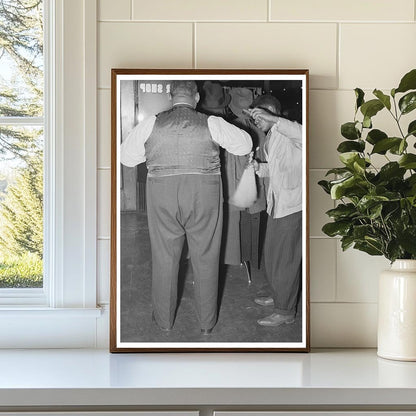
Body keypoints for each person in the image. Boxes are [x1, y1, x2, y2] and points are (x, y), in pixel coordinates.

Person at [120, 80, 252, 334]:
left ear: (170, 96)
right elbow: (245, 144)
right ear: (197, 96)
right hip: (205, 194)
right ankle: (206, 323)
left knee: (164, 258)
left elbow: (127, 157)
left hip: (162, 194)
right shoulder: (211, 123)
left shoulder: (152, 123)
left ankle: (164, 321)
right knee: (206, 256)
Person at [247, 94, 303, 327]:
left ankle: (285, 311)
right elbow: (281, 169)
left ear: (270, 111)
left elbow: (303, 134)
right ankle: (280, 295)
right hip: (277, 204)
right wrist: (260, 167)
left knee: (285, 260)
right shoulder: (271, 137)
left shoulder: (290, 132)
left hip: (292, 206)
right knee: (272, 256)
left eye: (258, 116)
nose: (256, 122)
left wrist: (274, 119)